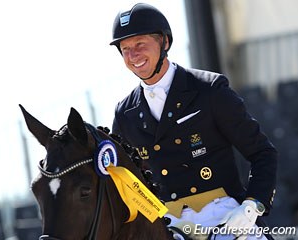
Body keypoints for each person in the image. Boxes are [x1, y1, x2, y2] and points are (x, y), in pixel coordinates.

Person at [110, 3, 277, 240]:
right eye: (125, 49)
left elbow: (263, 153)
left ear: (164, 42)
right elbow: (128, 183)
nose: (132, 55)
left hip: (226, 218)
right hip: (170, 227)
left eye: (140, 45)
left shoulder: (209, 90)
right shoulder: (124, 113)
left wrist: (251, 207)